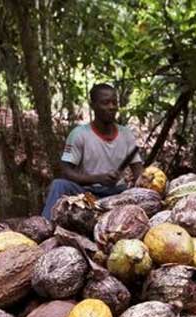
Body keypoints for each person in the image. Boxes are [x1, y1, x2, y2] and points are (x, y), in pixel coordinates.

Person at [42, 83, 144, 219]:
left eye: (114, 103)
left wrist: (142, 189)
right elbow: (66, 172)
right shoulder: (79, 135)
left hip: (118, 194)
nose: (112, 107)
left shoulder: (126, 134)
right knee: (59, 184)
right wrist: (98, 179)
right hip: (86, 193)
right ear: (93, 105)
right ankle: (46, 226)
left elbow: (138, 171)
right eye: (105, 103)